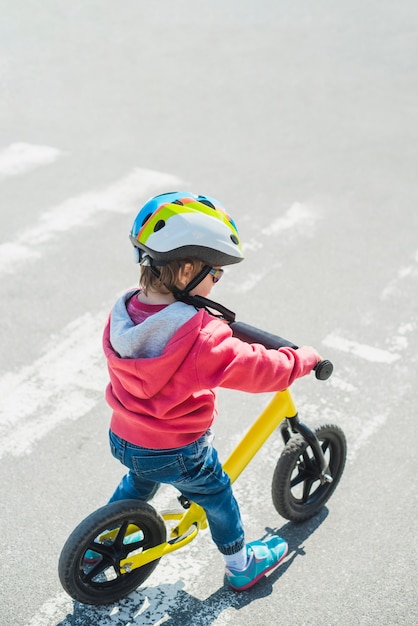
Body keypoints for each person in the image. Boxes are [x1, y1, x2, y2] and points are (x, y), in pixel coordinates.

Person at [102, 191, 321, 591]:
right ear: (186, 271)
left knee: (139, 477)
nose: (217, 281)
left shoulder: (124, 312)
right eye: (215, 273)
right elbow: (260, 370)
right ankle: (240, 564)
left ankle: (107, 533)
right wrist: (300, 360)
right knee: (218, 492)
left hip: (125, 435)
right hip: (177, 450)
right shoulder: (202, 339)